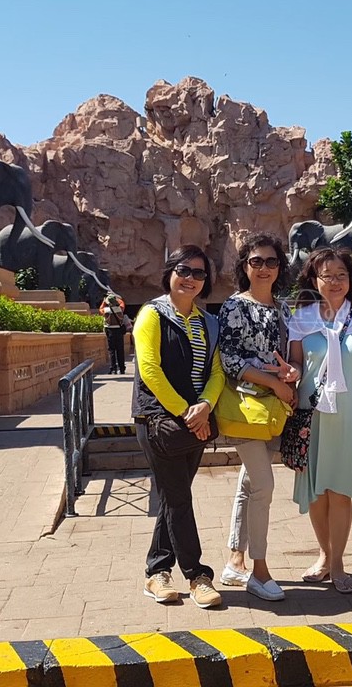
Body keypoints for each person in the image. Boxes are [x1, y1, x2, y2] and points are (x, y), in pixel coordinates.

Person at [131, 245, 224, 609]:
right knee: (179, 498)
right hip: (159, 421)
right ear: (169, 273)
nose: (190, 279)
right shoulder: (152, 314)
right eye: (184, 270)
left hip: (196, 420)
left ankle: (157, 571)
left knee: (175, 497)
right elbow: (149, 370)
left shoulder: (208, 322)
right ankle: (197, 575)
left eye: (199, 273)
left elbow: (216, 372)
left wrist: (206, 406)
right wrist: (187, 413)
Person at [287, 247, 352, 594]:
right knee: (317, 491)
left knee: (340, 490)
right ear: (314, 279)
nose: (335, 281)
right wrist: (289, 373)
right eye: (327, 275)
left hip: (351, 413)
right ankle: (324, 556)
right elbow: (297, 365)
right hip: (312, 414)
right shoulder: (301, 318)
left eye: (342, 274)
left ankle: (338, 562)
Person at [218, 233, 298, 601]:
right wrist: (274, 383)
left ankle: (235, 561)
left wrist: (291, 374)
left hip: (273, 409)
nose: (264, 268)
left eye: (271, 261)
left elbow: (290, 357)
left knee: (249, 482)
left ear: (280, 267)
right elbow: (230, 359)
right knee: (264, 485)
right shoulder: (235, 306)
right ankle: (260, 571)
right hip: (246, 406)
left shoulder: (283, 309)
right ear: (245, 266)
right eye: (256, 261)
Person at [100, 292, 127, 374]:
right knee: (120, 350)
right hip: (118, 330)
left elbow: (100, 309)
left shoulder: (106, 310)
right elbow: (122, 303)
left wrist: (105, 301)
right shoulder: (120, 309)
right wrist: (116, 299)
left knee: (111, 350)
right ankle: (122, 368)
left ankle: (113, 368)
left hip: (110, 330)